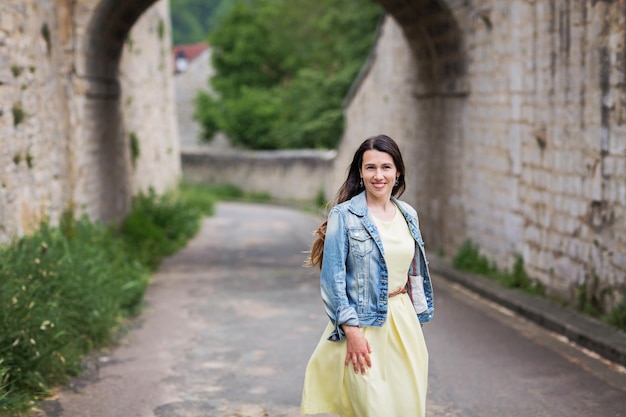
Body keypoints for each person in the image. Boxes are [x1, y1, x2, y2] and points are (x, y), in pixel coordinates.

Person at [300, 134, 434, 417]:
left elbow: (415, 275)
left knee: (406, 408)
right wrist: (352, 332)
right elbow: (332, 279)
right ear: (360, 173)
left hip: (404, 325)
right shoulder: (344, 216)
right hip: (363, 326)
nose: (378, 175)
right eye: (370, 167)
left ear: (398, 172)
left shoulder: (408, 214)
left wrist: (417, 317)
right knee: (372, 408)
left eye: (386, 167)